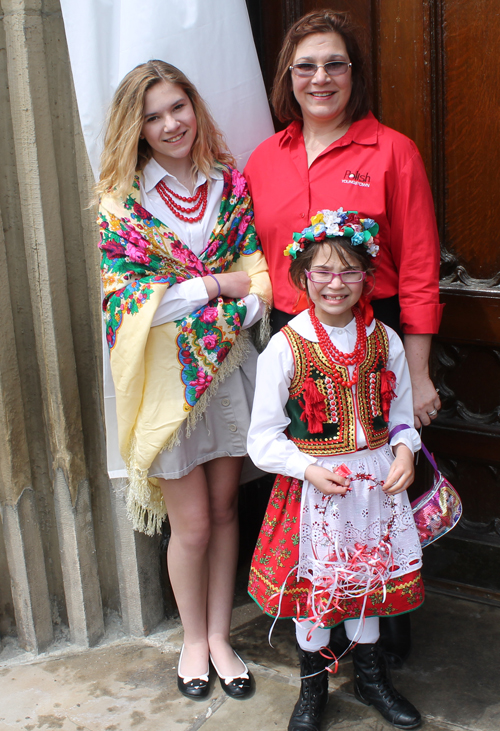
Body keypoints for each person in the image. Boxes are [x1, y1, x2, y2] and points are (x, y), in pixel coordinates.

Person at [243, 8, 443, 665]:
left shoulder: (393, 150)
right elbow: (253, 260)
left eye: (334, 64)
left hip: (372, 332)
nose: (320, 77)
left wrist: (416, 375)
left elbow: (416, 271)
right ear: (288, 77)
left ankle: (380, 662)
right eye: (306, 66)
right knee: (314, 496)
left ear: (354, 74)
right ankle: (316, 659)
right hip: (293, 339)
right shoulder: (263, 160)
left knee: (381, 494)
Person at [97, 60, 272, 700]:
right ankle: (191, 641)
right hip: (168, 387)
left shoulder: (229, 186)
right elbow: (131, 304)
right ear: (135, 128)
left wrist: (218, 297)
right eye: (153, 115)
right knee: (191, 525)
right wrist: (214, 287)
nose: (171, 123)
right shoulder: (122, 204)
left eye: (179, 107)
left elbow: (259, 284)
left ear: (195, 108)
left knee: (228, 510)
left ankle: (220, 637)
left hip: (227, 374)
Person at [247, 209, 424, 731]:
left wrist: (406, 451)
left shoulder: (384, 341)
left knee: (364, 581)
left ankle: (371, 679)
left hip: (372, 488)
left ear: (367, 277)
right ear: (303, 276)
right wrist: (306, 466)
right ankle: (312, 688)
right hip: (315, 491)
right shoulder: (286, 347)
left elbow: (400, 418)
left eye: (349, 271)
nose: (335, 283)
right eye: (322, 271)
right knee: (316, 593)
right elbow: (261, 439)